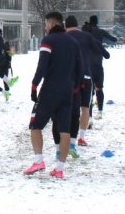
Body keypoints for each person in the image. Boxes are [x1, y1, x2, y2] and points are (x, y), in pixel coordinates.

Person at [24, 12, 82, 179]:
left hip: (50, 90)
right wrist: (75, 88)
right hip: (68, 91)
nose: (45, 27)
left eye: (45, 23)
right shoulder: (73, 42)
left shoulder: (48, 41)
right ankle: (60, 168)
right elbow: (80, 69)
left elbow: (42, 66)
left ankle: (38, 161)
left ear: (51, 23)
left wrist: (34, 85)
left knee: (35, 126)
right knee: (64, 130)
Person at [63, 16, 108, 148]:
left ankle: (68, 138)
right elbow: (101, 50)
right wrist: (104, 54)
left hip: (69, 78)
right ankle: (81, 138)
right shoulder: (86, 37)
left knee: (69, 108)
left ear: (66, 26)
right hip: (86, 76)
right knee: (85, 108)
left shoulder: (63, 37)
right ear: (77, 25)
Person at [86, 15, 116, 119]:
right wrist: (111, 37)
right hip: (98, 64)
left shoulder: (86, 33)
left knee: (88, 91)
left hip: (87, 65)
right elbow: (113, 39)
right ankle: (99, 111)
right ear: (97, 22)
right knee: (99, 88)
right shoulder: (100, 32)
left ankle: (88, 116)